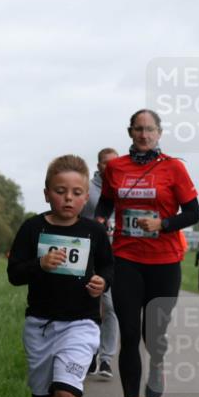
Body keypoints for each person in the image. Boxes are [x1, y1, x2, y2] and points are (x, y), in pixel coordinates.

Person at [7, 154, 114, 397]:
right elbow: (13, 274)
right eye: (61, 191)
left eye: (76, 192)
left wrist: (103, 283)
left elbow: (109, 268)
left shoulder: (94, 231)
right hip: (39, 324)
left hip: (80, 323)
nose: (69, 198)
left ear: (86, 197)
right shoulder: (32, 228)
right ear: (46, 193)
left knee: (67, 393)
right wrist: (41, 264)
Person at [95, 109, 199, 397]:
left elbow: (194, 213)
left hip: (165, 260)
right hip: (126, 258)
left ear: (159, 133)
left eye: (149, 129)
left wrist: (163, 224)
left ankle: (157, 361)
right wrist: (99, 223)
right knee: (129, 334)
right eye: (138, 129)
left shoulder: (173, 167)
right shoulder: (116, 168)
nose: (144, 135)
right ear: (130, 132)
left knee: (152, 333)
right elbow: (106, 204)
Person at [81, 147, 120, 380]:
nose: (111, 166)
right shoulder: (87, 189)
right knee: (90, 306)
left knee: (111, 307)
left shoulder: (125, 187)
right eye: (106, 163)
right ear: (99, 166)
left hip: (116, 256)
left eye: (115, 162)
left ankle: (106, 359)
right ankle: (89, 355)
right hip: (90, 254)